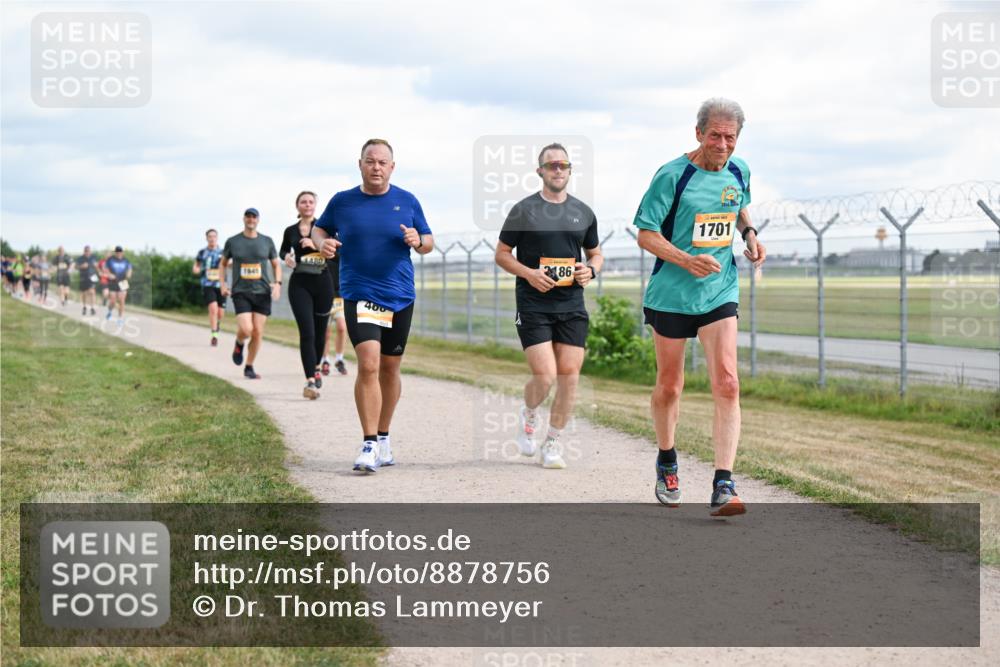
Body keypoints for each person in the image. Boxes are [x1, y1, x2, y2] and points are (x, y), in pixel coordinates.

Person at [633, 98, 766, 516]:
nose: (722, 145)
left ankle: (724, 483)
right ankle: (667, 460)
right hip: (672, 293)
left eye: (730, 137)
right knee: (670, 385)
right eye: (715, 136)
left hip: (719, 289)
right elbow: (646, 234)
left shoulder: (739, 170)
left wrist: (749, 233)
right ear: (698, 133)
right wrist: (686, 260)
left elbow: (737, 204)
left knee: (727, 382)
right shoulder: (673, 175)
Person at [313, 138, 434, 473]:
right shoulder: (343, 201)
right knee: (368, 364)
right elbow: (319, 229)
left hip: (400, 295)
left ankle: (383, 437)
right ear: (360, 164)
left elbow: (428, 241)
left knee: (390, 368)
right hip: (360, 293)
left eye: (382, 162)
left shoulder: (407, 200)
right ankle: (368, 443)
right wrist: (322, 244)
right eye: (370, 161)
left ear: (392, 167)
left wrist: (418, 241)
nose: (376, 167)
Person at [495, 143, 603, 470]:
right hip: (534, 305)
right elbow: (502, 254)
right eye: (551, 165)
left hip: (571, 304)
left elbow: (596, 254)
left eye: (563, 165)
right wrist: (529, 274)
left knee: (569, 377)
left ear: (570, 170)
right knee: (545, 376)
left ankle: (552, 443)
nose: (558, 170)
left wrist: (591, 270)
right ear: (540, 171)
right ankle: (529, 414)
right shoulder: (524, 210)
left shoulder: (583, 212)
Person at [281, 191, 335, 399]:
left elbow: (337, 254)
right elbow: (283, 250)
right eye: (303, 202)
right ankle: (310, 380)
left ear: (315, 205)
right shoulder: (290, 230)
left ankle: (317, 366)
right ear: (297, 206)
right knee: (307, 333)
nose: (307, 204)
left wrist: (316, 245)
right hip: (300, 284)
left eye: (311, 201)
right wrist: (287, 257)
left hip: (323, 283)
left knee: (321, 332)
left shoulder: (324, 229)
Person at [220, 208, 281, 380]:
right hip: (241, 291)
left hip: (262, 291)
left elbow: (276, 264)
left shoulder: (267, 241)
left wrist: (278, 283)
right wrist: (223, 284)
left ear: (258, 220)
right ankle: (239, 343)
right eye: (248, 216)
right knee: (247, 329)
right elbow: (223, 264)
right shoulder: (233, 241)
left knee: (258, 332)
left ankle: (249, 366)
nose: (251, 219)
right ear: (244, 219)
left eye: (254, 217)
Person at [193, 229, 226, 346]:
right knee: (213, 309)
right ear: (206, 238)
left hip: (221, 285)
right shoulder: (202, 252)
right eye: (210, 236)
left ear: (217, 238)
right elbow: (196, 265)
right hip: (207, 284)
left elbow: (229, 263)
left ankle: (217, 324)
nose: (212, 238)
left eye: (214, 236)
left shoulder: (223, 252)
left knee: (220, 313)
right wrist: (196, 269)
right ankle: (214, 335)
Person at [320, 248, 349, 377]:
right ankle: (324, 360)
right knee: (326, 332)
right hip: (324, 295)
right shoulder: (321, 245)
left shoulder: (342, 246)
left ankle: (339, 359)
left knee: (342, 328)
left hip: (339, 296)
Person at [104, 246, 133, 325]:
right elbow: (105, 269)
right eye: (117, 252)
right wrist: (109, 274)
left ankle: (120, 318)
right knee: (113, 301)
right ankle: (110, 311)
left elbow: (130, 269)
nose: (119, 253)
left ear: (122, 252)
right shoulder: (110, 260)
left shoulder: (126, 261)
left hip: (123, 282)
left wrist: (129, 274)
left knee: (121, 300)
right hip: (113, 282)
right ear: (115, 253)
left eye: (120, 252)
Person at [76, 246, 99, 315]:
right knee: (84, 293)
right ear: (84, 251)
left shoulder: (94, 257)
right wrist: (82, 266)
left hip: (92, 276)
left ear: (90, 251)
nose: (87, 252)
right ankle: (84, 307)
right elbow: (76, 267)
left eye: (88, 251)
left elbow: (97, 266)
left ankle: (92, 308)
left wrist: (97, 267)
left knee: (92, 292)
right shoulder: (80, 258)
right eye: (86, 251)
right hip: (83, 277)